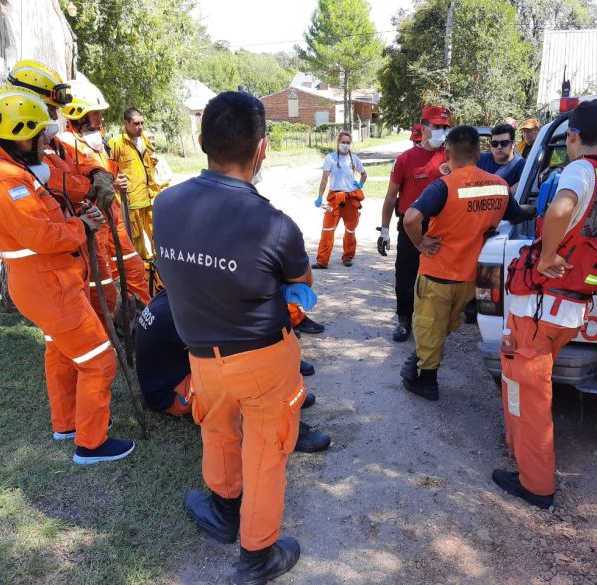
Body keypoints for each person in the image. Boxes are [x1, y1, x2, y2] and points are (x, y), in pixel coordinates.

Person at [154, 91, 310, 583]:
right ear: (261, 149)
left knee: (218, 431)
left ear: (202, 142)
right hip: (263, 359)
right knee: (265, 454)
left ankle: (223, 510)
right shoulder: (276, 225)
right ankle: (257, 555)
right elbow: (302, 292)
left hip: (202, 356)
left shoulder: (165, 203)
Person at [0, 85, 133, 464]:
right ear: (19, 134)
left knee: (61, 354)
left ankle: (66, 425)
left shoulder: (15, 171)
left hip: (46, 282)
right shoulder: (6, 180)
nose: (44, 138)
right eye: (37, 132)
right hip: (49, 284)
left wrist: (82, 208)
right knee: (99, 360)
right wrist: (83, 226)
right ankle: (91, 444)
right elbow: (43, 234)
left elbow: (58, 200)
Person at [495, 99, 597, 509]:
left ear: (572, 136)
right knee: (526, 382)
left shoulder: (578, 170)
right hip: (572, 305)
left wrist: (549, 254)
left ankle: (535, 484)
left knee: (529, 390)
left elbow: (560, 209)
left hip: (541, 307)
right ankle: (518, 449)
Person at [401, 126, 533, 401]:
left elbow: (411, 218)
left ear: (447, 151)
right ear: (478, 152)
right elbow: (518, 215)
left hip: (438, 273)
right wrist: (540, 206)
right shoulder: (498, 185)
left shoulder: (443, 186)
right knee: (445, 323)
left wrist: (420, 243)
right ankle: (420, 361)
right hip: (473, 277)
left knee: (428, 324)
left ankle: (426, 381)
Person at [135, 290, 331, 454]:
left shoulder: (177, 294)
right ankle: (280, 429)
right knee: (243, 372)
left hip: (169, 375)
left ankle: (283, 400)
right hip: (171, 394)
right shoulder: (181, 315)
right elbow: (229, 347)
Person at [6, 60, 119, 330]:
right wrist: (90, 186)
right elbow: (60, 181)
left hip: (74, 242)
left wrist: (96, 173)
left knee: (100, 296)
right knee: (76, 341)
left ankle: (103, 336)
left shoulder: (51, 143)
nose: (56, 116)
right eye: (51, 108)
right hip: (56, 256)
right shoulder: (22, 155)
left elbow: (73, 167)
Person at [58, 79, 152, 306]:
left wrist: (115, 183)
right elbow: (64, 186)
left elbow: (108, 176)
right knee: (103, 284)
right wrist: (92, 188)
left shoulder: (99, 143)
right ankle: (115, 326)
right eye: (95, 113)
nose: (101, 118)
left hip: (114, 218)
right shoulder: (65, 145)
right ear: (78, 114)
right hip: (93, 225)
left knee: (134, 268)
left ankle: (144, 317)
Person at [378, 105, 451, 342]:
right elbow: (391, 197)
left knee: (438, 279)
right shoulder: (406, 159)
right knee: (406, 276)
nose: (441, 131)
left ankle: (434, 323)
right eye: (437, 126)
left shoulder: (450, 157)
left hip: (441, 226)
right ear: (425, 127)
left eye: (445, 127)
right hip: (410, 226)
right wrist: (385, 230)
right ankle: (403, 320)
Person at [109, 108, 168, 262]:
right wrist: (114, 182)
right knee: (136, 240)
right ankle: (142, 267)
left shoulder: (145, 140)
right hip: (132, 201)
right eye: (136, 124)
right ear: (126, 123)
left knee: (158, 233)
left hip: (150, 197)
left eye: (142, 123)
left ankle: (161, 262)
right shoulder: (117, 143)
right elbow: (108, 168)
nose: (140, 127)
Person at [312, 132, 367, 269]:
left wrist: (360, 185)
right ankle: (322, 261)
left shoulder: (354, 159)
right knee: (327, 229)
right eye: (343, 142)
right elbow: (324, 179)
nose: (345, 145)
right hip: (334, 199)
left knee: (350, 229)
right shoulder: (330, 158)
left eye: (348, 142)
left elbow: (364, 174)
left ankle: (348, 257)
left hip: (350, 199)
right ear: (338, 142)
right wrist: (320, 196)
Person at [477, 123, 526, 194]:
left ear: (513, 144)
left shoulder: (522, 166)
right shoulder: (480, 159)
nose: (499, 147)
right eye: (495, 143)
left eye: (504, 143)